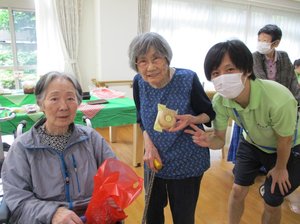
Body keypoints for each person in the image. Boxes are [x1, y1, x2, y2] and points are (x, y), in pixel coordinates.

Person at [185, 39, 300, 224]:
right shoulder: (220, 102)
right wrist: (209, 141)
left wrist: (280, 168)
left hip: (290, 146)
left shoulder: (278, 99)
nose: (222, 77)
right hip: (253, 143)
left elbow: (284, 140)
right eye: (216, 73)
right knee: (237, 190)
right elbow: (220, 140)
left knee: (272, 200)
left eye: (229, 70)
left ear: (247, 70)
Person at [1, 71, 120, 223]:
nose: (63, 106)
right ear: (41, 103)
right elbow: (17, 199)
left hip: (91, 216)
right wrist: (51, 214)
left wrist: (111, 196)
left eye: (70, 98)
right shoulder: (22, 147)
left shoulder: (92, 139)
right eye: (54, 99)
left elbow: (114, 176)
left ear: (78, 102)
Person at [128, 32, 215, 224]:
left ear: (166, 58)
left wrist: (193, 118)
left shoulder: (187, 78)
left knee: (183, 217)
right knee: (152, 215)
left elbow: (209, 113)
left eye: (156, 58)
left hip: (187, 159)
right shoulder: (139, 82)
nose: (150, 67)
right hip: (154, 158)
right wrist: (149, 146)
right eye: (142, 61)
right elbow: (141, 117)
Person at [253, 24, 300, 104]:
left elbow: (292, 79)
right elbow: (262, 81)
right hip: (264, 101)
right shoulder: (255, 56)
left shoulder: (284, 56)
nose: (260, 43)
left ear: (276, 43)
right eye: (259, 40)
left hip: (284, 101)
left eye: (264, 41)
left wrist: (295, 101)